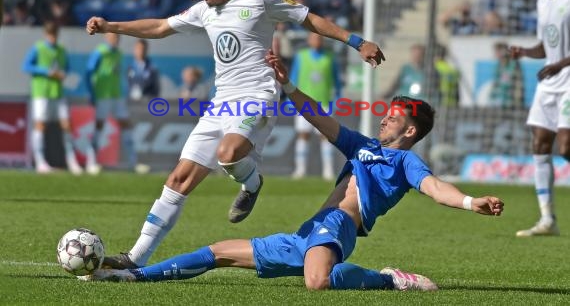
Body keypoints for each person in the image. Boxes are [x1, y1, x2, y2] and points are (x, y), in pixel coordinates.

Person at [84, 51, 504, 290]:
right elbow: (320, 118)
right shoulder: (362, 145)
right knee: (218, 252)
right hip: (310, 230)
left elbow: (434, 188)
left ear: (410, 130)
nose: (383, 120)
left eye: (392, 118)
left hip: (338, 225)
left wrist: (471, 202)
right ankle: (134, 277)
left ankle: (391, 281)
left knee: (317, 283)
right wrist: (287, 87)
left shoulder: (404, 160)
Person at [84, 0, 384, 269]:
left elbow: (308, 19)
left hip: (259, 96)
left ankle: (252, 183)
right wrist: (111, 26)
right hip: (221, 102)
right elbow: (159, 27)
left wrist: (356, 42)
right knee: (178, 178)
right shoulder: (203, 10)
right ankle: (135, 258)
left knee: (228, 153)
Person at [510, 0, 570, 237]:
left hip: (568, 76)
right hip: (550, 78)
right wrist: (524, 51)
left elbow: (558, 55)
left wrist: (559, 64)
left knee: (566, 147)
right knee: (540, 143)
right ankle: (548, 219)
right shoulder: (543, 0)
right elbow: (546, 46)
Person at [22, 21, 82, 175]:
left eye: (55, 35)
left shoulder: (61, 50)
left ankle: (71, 160)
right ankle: (40, 161)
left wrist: (63, 73)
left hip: (58, 92)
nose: (53, 38)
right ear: (45, 35)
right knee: (40, 125)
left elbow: (66, 67)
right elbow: (26, 66)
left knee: (66, 125)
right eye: (50, 35)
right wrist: (46, 71)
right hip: (41, 92)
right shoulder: (38, 48)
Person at [85, 33, 150, 175]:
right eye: (113, 37)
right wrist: (92, 93)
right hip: (103, 95)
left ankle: (133, 162)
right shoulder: (100, 52)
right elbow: (88, 72)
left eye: (118, 38)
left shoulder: (119, 54)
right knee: (99, 126)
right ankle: (91, 162)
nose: (116, 40)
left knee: (126, 124)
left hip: (117, 95)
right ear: (107, 37)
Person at [290, 32, 341, 181]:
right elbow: (293, 78)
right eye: (314, 38)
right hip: (303, 104)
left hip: (324, 103)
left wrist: (338, 98)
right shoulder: (301, 56)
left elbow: (336, 80)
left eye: (319, 38)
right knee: (303, 135)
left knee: (326, 136)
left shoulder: (330, 57)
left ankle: (328, 171)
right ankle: (300, 170)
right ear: (309, 40)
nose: (317, 41)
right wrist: (291, 100)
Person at [489, 42, 524, 108]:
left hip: (511, 104)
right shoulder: (498, 66)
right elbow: (495, 85)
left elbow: (519, 85)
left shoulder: (514, 65)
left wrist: (517, 102)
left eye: (497, 51)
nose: (495, 53)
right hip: (497, 103)